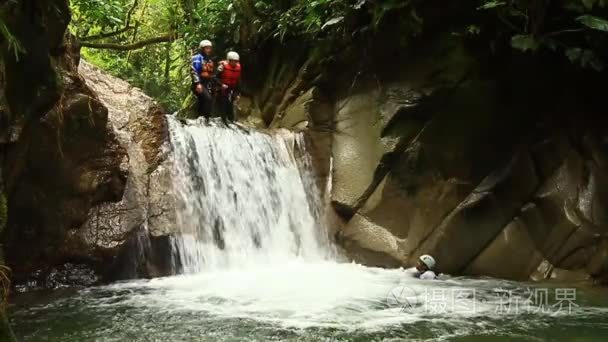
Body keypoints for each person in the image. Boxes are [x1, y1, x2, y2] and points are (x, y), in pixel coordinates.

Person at [215, 51, 242, 123]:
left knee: (230, 103)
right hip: (222, 88)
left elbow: (238, 81)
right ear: (229, 60)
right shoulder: (222, 67)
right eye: (234, 61)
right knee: (224, 102)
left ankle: (231, 119)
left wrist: (237, 93)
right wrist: (221, 85)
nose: (235, 63)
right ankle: (223, 119)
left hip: (231, 88)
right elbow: (215, 78)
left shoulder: (238, 68)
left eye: (236, 61)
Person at [191, 40, 215, 118]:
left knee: (203, 100)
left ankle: (201, 118)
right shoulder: (197, 58)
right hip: (198, 84)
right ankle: (205, 118)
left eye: (209, 48)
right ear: (202, 49)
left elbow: (211, 74)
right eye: (206, 48)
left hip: (206, 84)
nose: (209, 50)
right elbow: (194, 71)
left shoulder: (209, 60)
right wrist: (198, 84)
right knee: (208, 99)